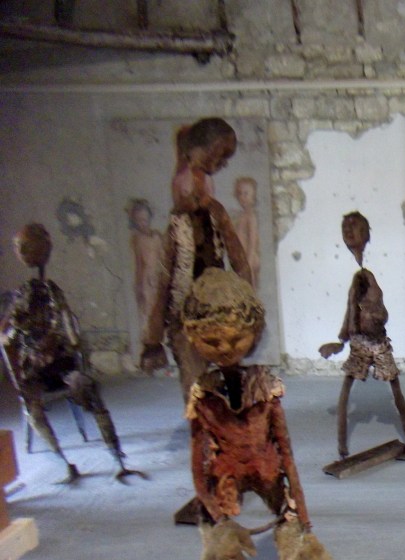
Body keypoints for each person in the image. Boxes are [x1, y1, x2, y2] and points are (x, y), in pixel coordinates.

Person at [183, 268, 344, 560]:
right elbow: (199, 468)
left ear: (253, 333)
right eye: (212, 341)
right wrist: (217, 521)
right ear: (194, 337)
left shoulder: (265, 388)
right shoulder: (203, 396)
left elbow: (287, 455)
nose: (225, 349)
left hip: (270, 477)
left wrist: (304, 526)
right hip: (225, 486)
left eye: (236, 339)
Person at [1, 223, 143, 482]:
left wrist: (64, 347)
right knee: (33, 408)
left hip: (61, 365)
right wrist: (24, 361)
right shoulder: (21, 296)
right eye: (19, 247)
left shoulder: (50, 291)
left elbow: (69, 329)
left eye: (24, 246)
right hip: (34, 371)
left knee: (88, 389)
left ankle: (118, 458)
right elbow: (7, 337)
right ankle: (64, 462)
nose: (20, 251)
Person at [140, 117, 252, 401]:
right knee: (196, 384)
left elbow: (239, 260)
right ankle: (203, 420)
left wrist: (248, 307)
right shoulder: (177, 225)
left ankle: (231, 419)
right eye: (220, 156)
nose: (222, 164)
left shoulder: (217, 213)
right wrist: (153, 339)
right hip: (184, 315)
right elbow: (163, 280)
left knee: (232, 377)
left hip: (219, 308)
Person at [319, 212, 405, 459]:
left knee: (395, 391)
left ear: (367, 233)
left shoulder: (367, 277)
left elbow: (380, 312)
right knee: (346, 393)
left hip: (378, 342)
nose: (348, 230)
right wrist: (341, 341)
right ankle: (342, 449)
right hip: (360, 343)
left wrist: (373, 313)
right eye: (345, 227)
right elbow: (350, 310)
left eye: (354, 226)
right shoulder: (358, 278)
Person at [126, 198, 164, 334]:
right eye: (139, 220)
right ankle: (150, 336)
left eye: (145, 219)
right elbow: (138, 264)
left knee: (161, 308)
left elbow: (163, 257)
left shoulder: (157, 236)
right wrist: (139, 285)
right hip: (146, 279)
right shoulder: (137, 239)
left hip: (159, 276)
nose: (142, 223)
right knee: (147, 310)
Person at [232, 177, 261, 289]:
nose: (242, 197)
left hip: (249, 257)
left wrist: (248, 262)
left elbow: (253, 241)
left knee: (249, 288)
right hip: (242, 257)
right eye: (239, 193)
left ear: (253, 196)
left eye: (246, 193)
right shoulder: (242, 215)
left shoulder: (251, 216)